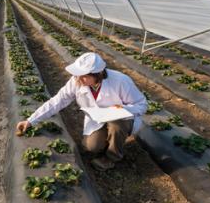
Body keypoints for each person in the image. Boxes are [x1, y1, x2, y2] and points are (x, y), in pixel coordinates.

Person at [16, 52, 147, 171]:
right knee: (91, 147)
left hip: (121, 120)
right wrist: (31, 120)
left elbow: (141, 105)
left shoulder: (121, 81)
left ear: (98, 74)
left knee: (116, 126)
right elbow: (58, 101)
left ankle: (112, 157)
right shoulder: (77, 81)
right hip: (97, 120)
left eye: (84, 76)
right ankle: (107, 141)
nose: (79, 79)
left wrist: (121, 109)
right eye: (78, 75)